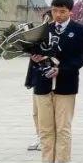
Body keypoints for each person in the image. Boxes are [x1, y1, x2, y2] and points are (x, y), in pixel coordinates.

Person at [29, 0, 83, 163]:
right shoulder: (44, 29)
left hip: (65, 84)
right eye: (55, 10)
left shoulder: (79, 30)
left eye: (62, 11)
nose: (58, 15)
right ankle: (47, 162)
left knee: (63, 126)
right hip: (43, 83)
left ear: (70, 11)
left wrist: (61, 69)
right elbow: (35, 50)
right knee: (45, 126)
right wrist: (35, 58)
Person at [26, 10, 51, 152]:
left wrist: (46, 58)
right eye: (44, 20)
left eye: (48, 20)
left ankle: (46, 139)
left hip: (49, 79)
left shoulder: (55, 39)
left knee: (45, 113)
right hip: (37, 77)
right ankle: (39, 136)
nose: (45, 23)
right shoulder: (38, 38)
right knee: (36, 112)